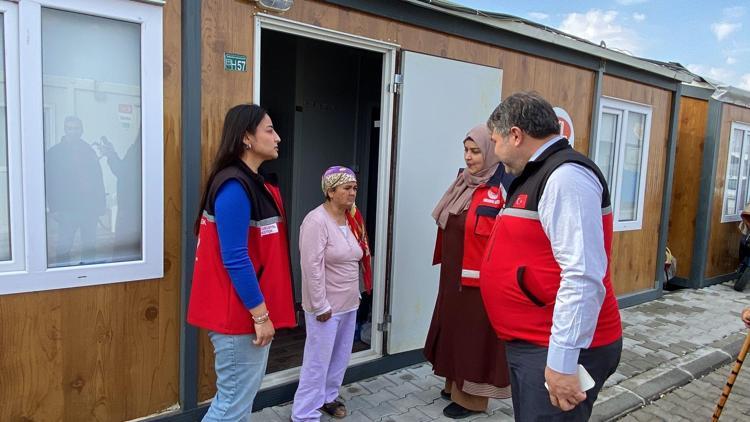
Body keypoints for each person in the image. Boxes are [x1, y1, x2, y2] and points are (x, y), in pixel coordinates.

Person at [480, 92, 623, 421]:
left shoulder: (565, 177)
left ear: (516, 135)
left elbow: (583, 275)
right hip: (533, 342)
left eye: (495, 141)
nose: (494, 151)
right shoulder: (537, 173)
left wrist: (561, 363)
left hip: (554, 348)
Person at [187, 104, 296, 421]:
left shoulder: (251, 182)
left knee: (237, 402)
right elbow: (234, 257)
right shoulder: (235, 186)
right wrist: (261, 316)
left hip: (243, 313)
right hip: (239, 317)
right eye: (270, 130)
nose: (278, 138)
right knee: (231, 406)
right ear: (246, 138)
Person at [424, 124, 513, 419]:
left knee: (473, 336)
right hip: (453, 274)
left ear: (490, 151)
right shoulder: (462, 181)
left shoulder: (503, 186)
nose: (469, 157)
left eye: (475, 151)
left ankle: (473, 400)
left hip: (480, 281)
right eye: (466, 150)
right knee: (452, 328)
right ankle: (453, 383)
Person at [292, 166, 372, 421]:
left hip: (348, 302)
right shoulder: (316, 221)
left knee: (340, 357)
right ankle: (304, 412)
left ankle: (328, 397)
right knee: (317, 360)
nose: (352, 193)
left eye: (355, 188)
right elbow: (311, 266)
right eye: (347, 188)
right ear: (330, 191)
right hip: (325, 306)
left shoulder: (352, 219)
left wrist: (357, 295)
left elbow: (355, 259)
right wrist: (320, 305)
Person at [45, 116, 106, 265]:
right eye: (69, 128)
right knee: (64, 246)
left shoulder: (88, 150)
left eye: (76, 128)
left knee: (90, 246)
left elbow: (98, 179)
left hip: (89, 208)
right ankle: (61, 277)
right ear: (65, 130)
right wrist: (54, 208)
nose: (73, 132)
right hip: (67, 209)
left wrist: (101, 205)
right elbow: (49, 182)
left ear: (82, 130)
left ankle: (88, 276)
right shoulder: (54, 153)